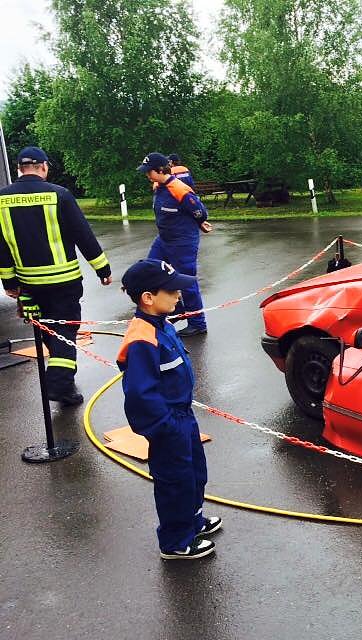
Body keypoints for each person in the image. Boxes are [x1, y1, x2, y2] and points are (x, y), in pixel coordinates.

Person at [118, 258, 221, 560]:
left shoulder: (162, 324)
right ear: (148, 298)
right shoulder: (142, 339)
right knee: (174, 481)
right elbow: (139, 394)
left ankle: (193, 521)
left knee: (194, 472)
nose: (179, 295)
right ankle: (175, 541)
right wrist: (164, 426)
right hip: (167, 423)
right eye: (172, 291)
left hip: (183, 417)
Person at [0, 146, 112, 405]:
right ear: (44, 167)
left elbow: (1, 246)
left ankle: (64, 378)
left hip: (29, 284)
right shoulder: (59, 194)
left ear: (19, 169)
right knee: (66, 331)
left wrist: (9, 282)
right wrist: (102, 269)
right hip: (64, 282)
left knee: (49, 330)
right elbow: (83, 234)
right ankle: (59, 383)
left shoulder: (2, 199)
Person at [137, 152, 212, 337]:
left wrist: (199, 222)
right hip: (164, 239)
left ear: (160, 170)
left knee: (186, 281)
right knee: (153, 270)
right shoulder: (158, 186)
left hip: (183, 241)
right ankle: (177, 308)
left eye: (149, 172)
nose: (147, 175)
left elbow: (199, 212)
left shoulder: (180, 189)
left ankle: (198, 323)